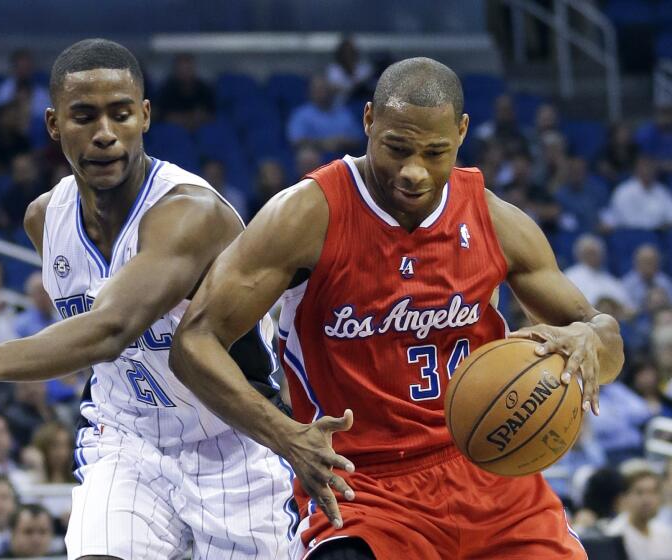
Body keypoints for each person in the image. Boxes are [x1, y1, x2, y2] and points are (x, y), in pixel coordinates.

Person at [170, 57, 624, 559]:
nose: (414, 171)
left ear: (462, 132)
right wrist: (285, 435)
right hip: (363, 489)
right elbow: (194, 342)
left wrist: (591, 339)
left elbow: (605, 342)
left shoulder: (495, 219)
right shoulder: (306, 215)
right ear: (368, 121)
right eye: (397, 148)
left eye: (435, 153)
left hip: (492, 470)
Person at [0, 38, 293, 559]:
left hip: (233, 444)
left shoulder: (192, 213)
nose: (105, 135)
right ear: (53, 124)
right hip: (127, 440)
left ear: (146, 117)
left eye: (121, 115)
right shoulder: (44, 219)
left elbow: (111, 329)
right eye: (84, 116)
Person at [606, 468, 672, 560]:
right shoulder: (614, 534)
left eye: (653, 492)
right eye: (639, 493)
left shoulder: (666, 533)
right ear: (624, 497)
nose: (647, 500)